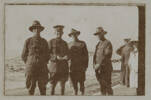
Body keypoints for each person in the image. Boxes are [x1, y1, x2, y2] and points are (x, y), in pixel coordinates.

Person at [21, 20, 49, 95]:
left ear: (40, 30)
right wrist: (30, 63)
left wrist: (42, 62)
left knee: (43, 89)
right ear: (32, 30)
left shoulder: (44, 41)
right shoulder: (28, 41)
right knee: (31, 89)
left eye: (38, 28)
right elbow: (23, 55)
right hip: (31, 69)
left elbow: (47, 55)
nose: (36, 30)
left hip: (42, 69)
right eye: (35, 29)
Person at [48, 25, 69, 95]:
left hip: (63, 68)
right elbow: (47, 54)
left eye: (60, 32)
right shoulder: (51, 42)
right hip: (54, 68)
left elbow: (68, 54)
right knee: (52, 87)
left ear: (62, 33)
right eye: (57, 32)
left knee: (62, 88)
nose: (59, 33)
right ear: (54, 32)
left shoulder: (65, 43)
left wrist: (67, 57)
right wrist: (55, 57)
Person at [93, 27, 113, 95]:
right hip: (98, 69)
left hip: (106, 68)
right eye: (97, 34)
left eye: (99, 34)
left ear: (103, 34)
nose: (98, 35)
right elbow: (95, 56)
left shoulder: (107, 43)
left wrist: (99, 64)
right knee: (102, 87)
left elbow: (107, 55)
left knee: (108, 86)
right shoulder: (98, 44)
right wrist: (94, 66)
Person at [68, 29, 89, 95]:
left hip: (80, 68)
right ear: (71, 36)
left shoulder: (82, 43)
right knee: (74, 86)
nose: (74, 36)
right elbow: (67, 57)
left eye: (75, 34)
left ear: (77, 34)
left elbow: (86, 56)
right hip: (72, 68)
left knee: (81, 84)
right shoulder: (69, 44)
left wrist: (85, 66)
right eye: (72, 34)